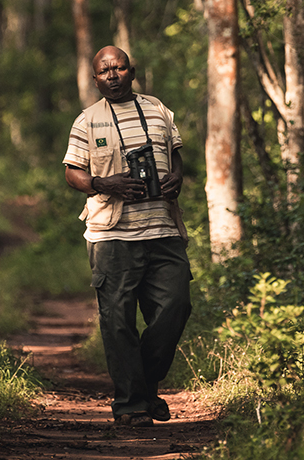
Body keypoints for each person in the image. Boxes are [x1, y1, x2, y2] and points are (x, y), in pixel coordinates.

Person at [63, 45, 191, 427]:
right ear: (95, 78)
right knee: (117, 322)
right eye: (104, 71)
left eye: (119, 68)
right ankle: (132, 406)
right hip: (112, 235)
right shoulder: (86, 121)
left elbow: (176, 154)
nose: (113, 76)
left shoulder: (158, 110)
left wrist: (177, 177)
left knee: (176, 307)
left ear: (132, 72)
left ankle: (144, 385)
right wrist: (104, 183)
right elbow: (72, 173)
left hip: (163, 229)